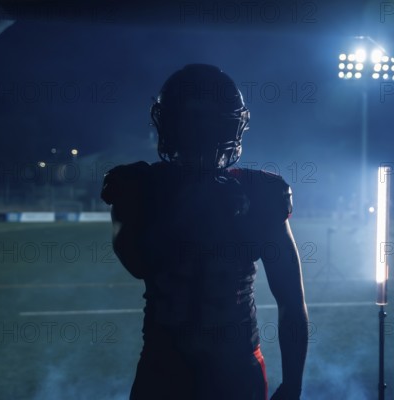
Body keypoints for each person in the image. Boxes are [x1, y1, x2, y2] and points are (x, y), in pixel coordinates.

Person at [100, 64, 308, 399]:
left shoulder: (140, 186)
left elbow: (136, 261)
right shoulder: (257, 192)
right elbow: (291, 303)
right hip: (215, 369)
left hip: (176, 369)